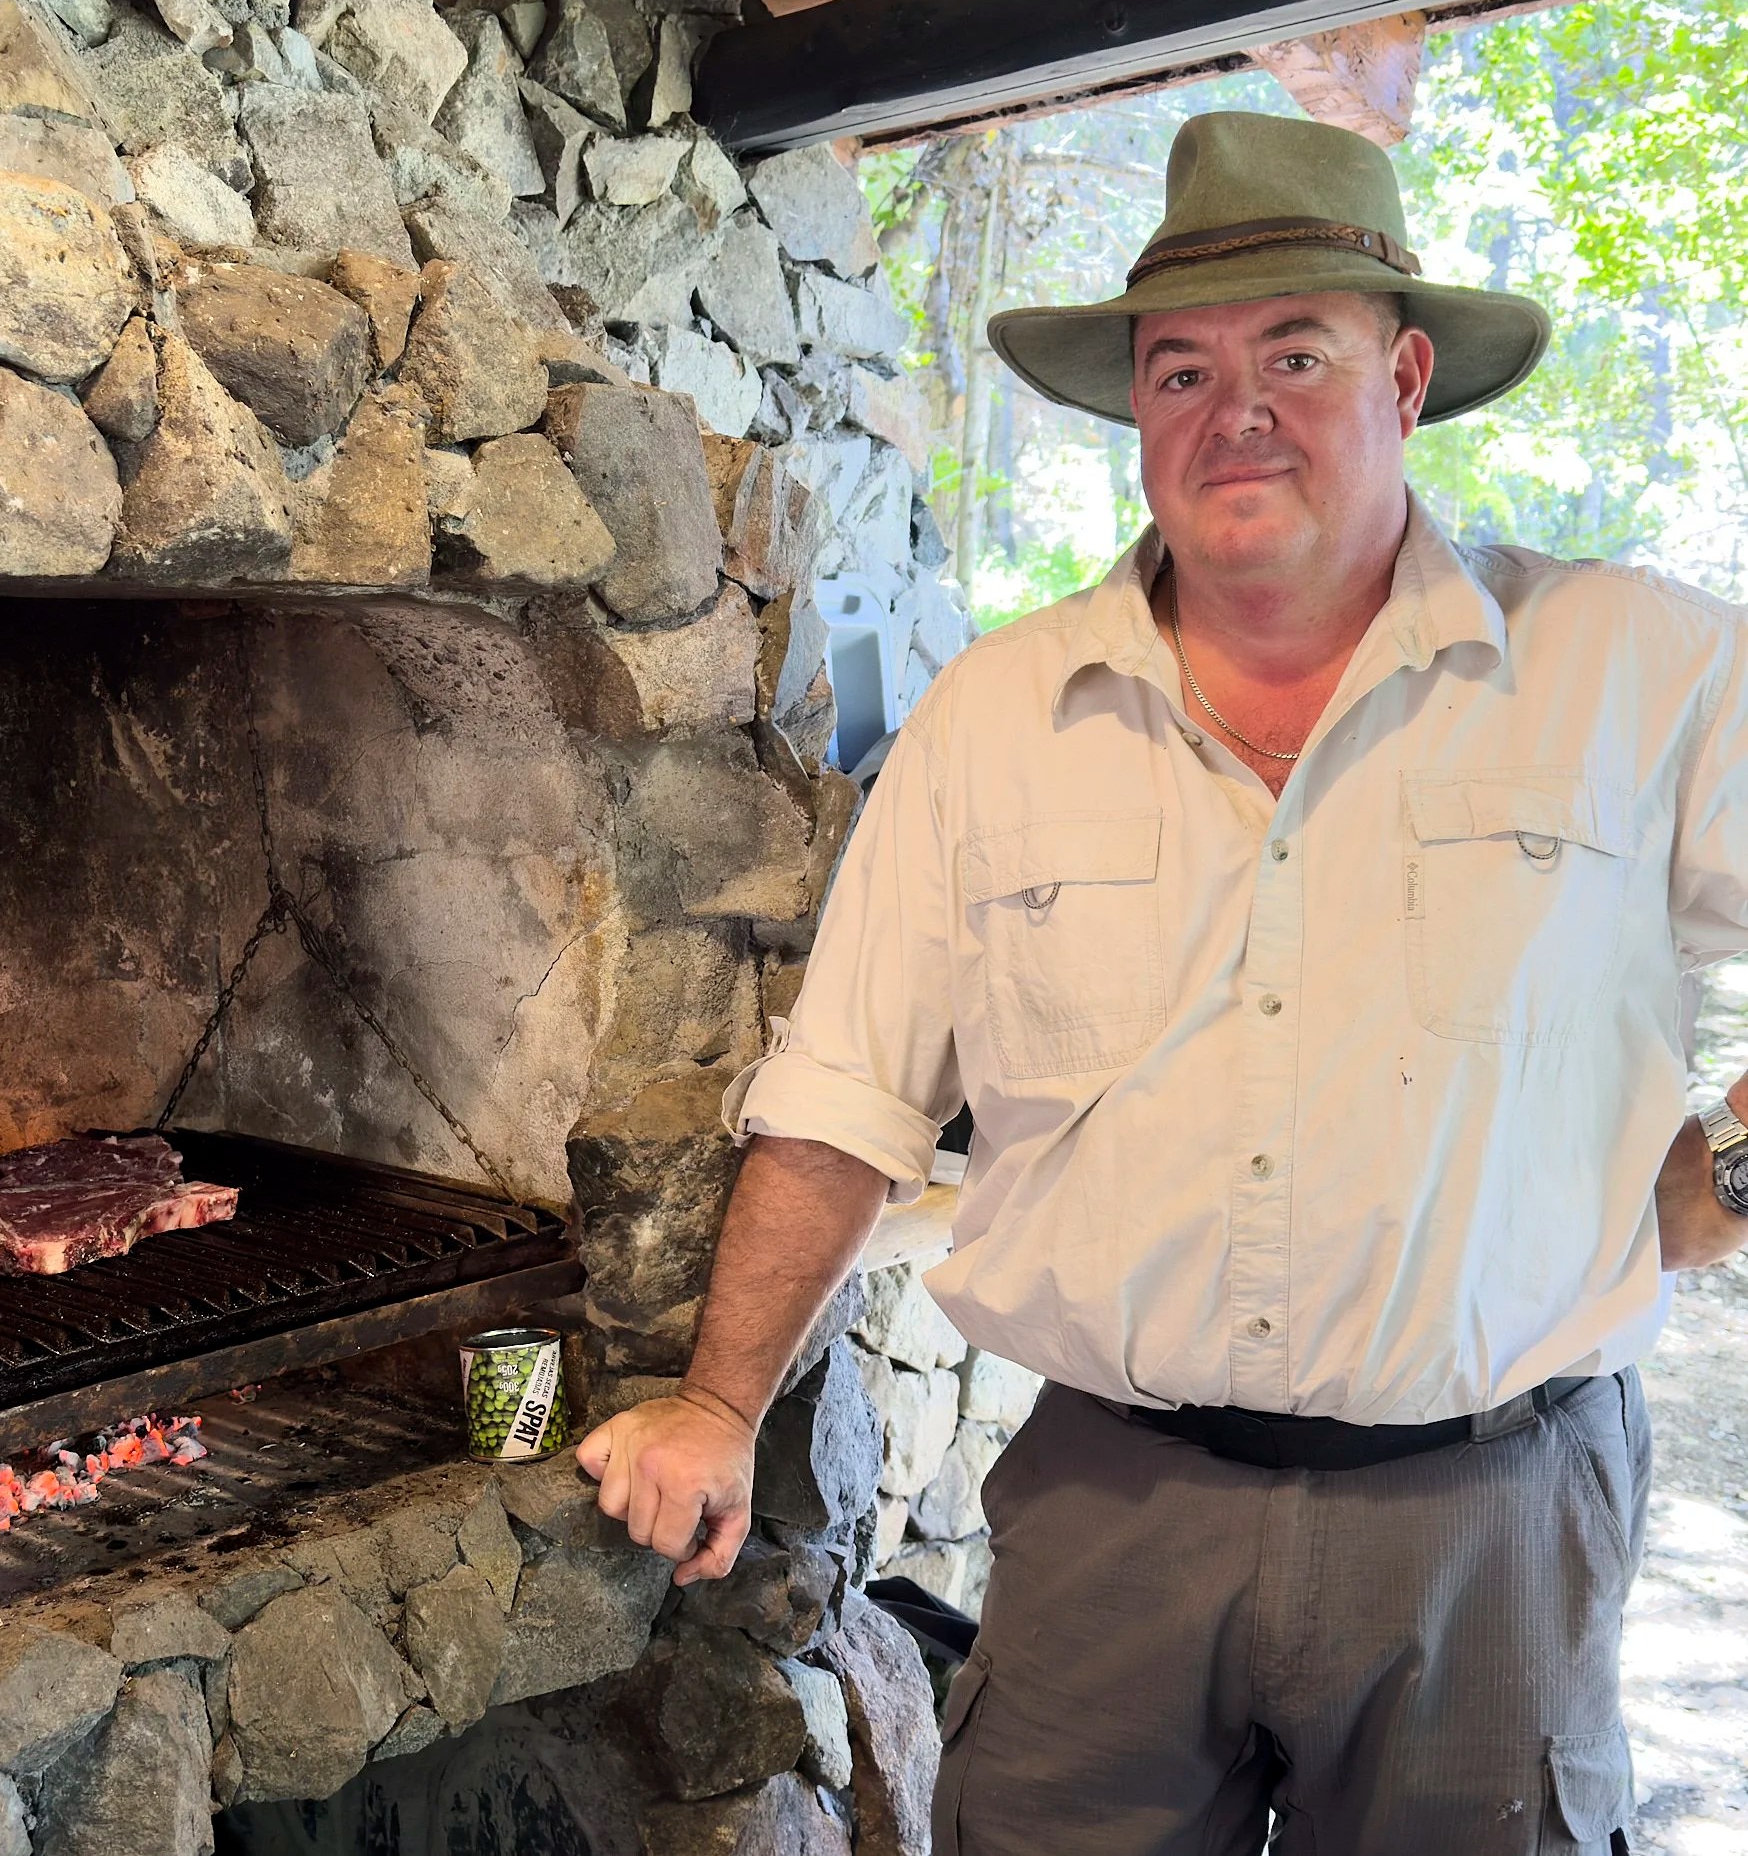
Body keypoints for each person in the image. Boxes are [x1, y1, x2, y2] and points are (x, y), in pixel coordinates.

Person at [574, 109, 1748, 1855]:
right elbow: (845, 1094)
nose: (1237, 410)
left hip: (1488, 1519)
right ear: (1138, 413)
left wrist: (1715, 1177)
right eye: (1183, 370)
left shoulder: (1635, 670)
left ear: (1409, 378)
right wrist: (720, 1400)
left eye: (1297, 353)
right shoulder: (995, 715)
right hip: (1114, 1510)